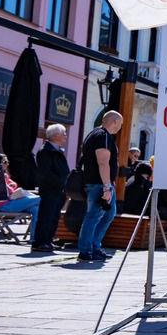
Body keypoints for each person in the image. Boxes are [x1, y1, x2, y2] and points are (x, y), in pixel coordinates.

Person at [78, 111, 124, 262]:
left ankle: (94, 247)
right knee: (94, 216)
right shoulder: (102, 136)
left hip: (99, 183)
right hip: (99, 184)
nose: (120, 127)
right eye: (121, 123)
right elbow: (103, 162)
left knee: (108, 214)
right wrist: (106, 186)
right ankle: (86, 249)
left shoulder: (94, 134)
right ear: (115, 122)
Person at [32, 124, 69, 252]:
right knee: (46, 216)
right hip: (50, 190)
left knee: (54, 216)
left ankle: (48, 240)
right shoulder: (45, 151)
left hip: (59, 190)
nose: (66, 136)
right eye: (64, 133)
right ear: (55, 135)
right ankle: (40, 242)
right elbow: (46, 173)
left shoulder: (57, 150)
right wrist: (60, 183)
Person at [0, 171, 40, 241]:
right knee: (41, 199)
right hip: (4, 205)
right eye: (3, 164)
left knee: (37, 209)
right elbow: (9, 190)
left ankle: (34, 239)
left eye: (7, 164)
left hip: (11, 203)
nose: (5, 165)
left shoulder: (3, 175)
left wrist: (9, 182)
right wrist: (10, 185)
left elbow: (14, 184)